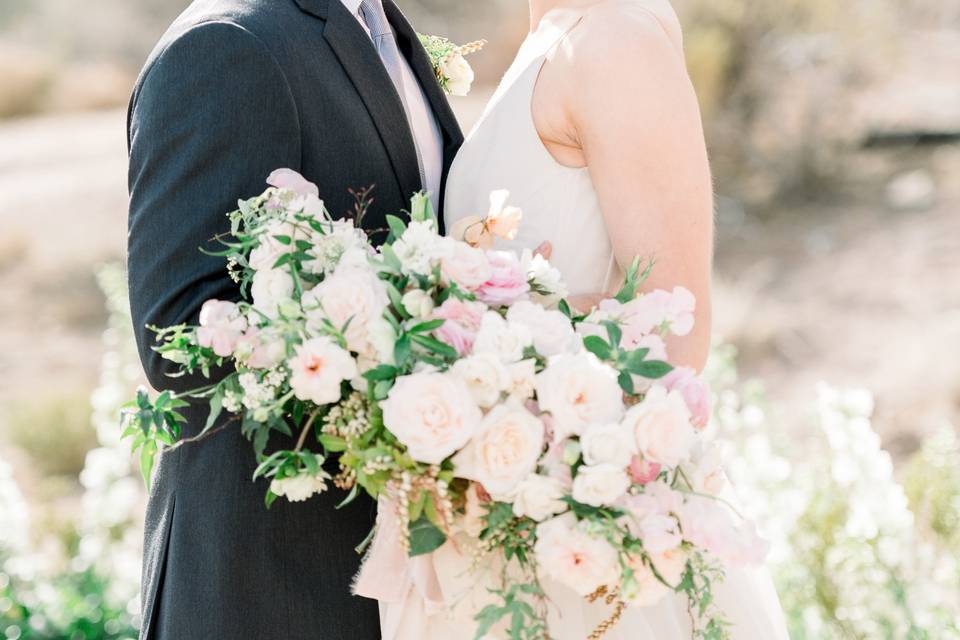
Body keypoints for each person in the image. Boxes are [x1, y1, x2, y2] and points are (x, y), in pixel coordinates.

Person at [378, 0, 790, 637]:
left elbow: (676, 337)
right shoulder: (551, 30)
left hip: (586, 547)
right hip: (514, 518)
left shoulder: (614, 41)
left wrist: (496, 336)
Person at [125, 0, 462, 637]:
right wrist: (366, 333)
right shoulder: (225, 46)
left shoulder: (378, 24)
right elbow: (176, 337)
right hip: (271, 584)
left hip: (397, 576)